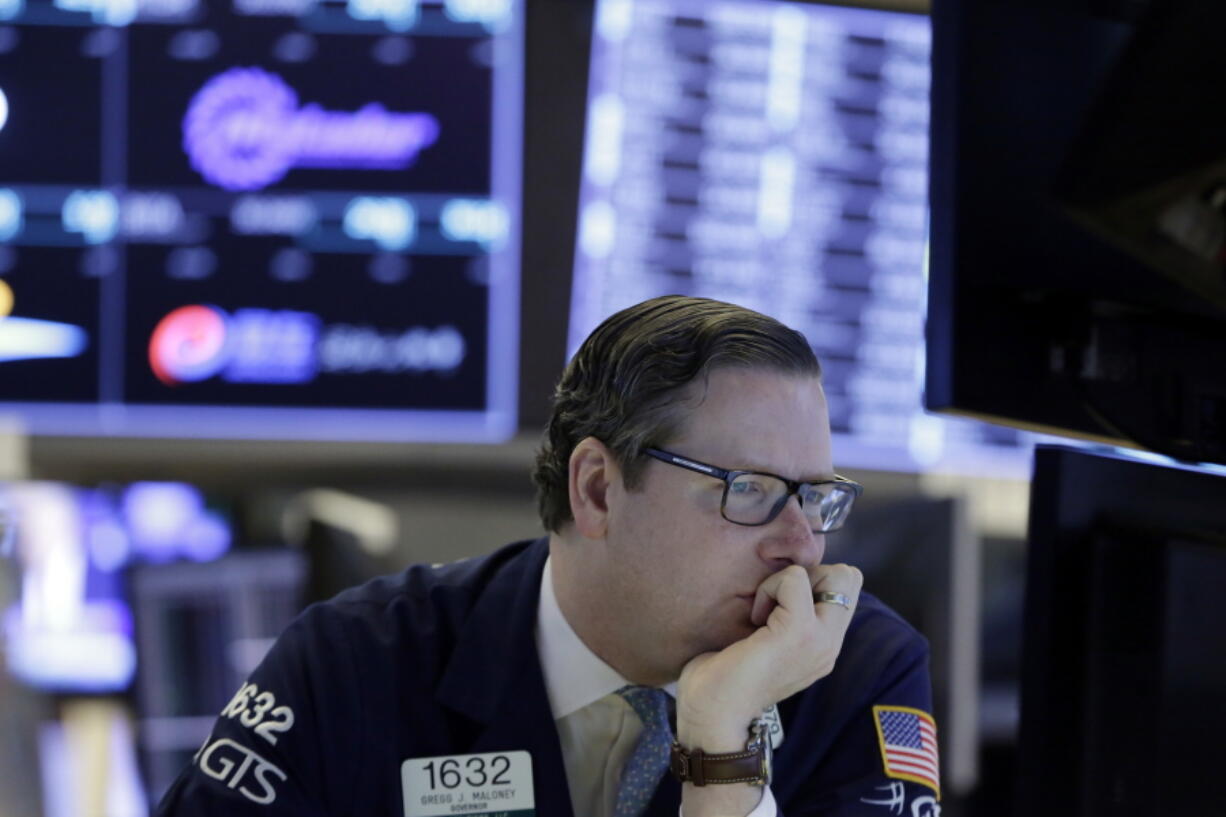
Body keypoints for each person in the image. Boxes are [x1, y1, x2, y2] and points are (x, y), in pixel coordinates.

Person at [154, 296, 938, 817]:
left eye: (818, 497)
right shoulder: (350, 663)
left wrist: (724, 746)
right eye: (753, 489)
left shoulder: (861, 674)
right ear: (597, 489)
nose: (801, 545)